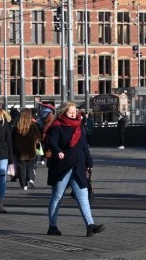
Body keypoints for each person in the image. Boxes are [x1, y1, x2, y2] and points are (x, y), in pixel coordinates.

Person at [44, 101, 104, 237]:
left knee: (83, 196)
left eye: (74, 111)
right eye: (70, 112)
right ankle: (52, 226)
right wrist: (57, 150)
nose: (73, 114)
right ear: (63, 112)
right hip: (62, 166)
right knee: (57, 197)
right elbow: (51, 141)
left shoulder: (79, 126)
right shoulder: (57, 126)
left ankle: (90, 225)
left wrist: (89, 161)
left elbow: (84, 146)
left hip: (78, 165)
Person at [13, 108, 42, 191]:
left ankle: (23, 184)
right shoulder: (32, 125)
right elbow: (38, 137)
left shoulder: (17, 126)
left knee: (21, 168)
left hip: (20, 151)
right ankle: (30, 178)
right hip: (30, 150)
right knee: (30, 166)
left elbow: (13, 138)